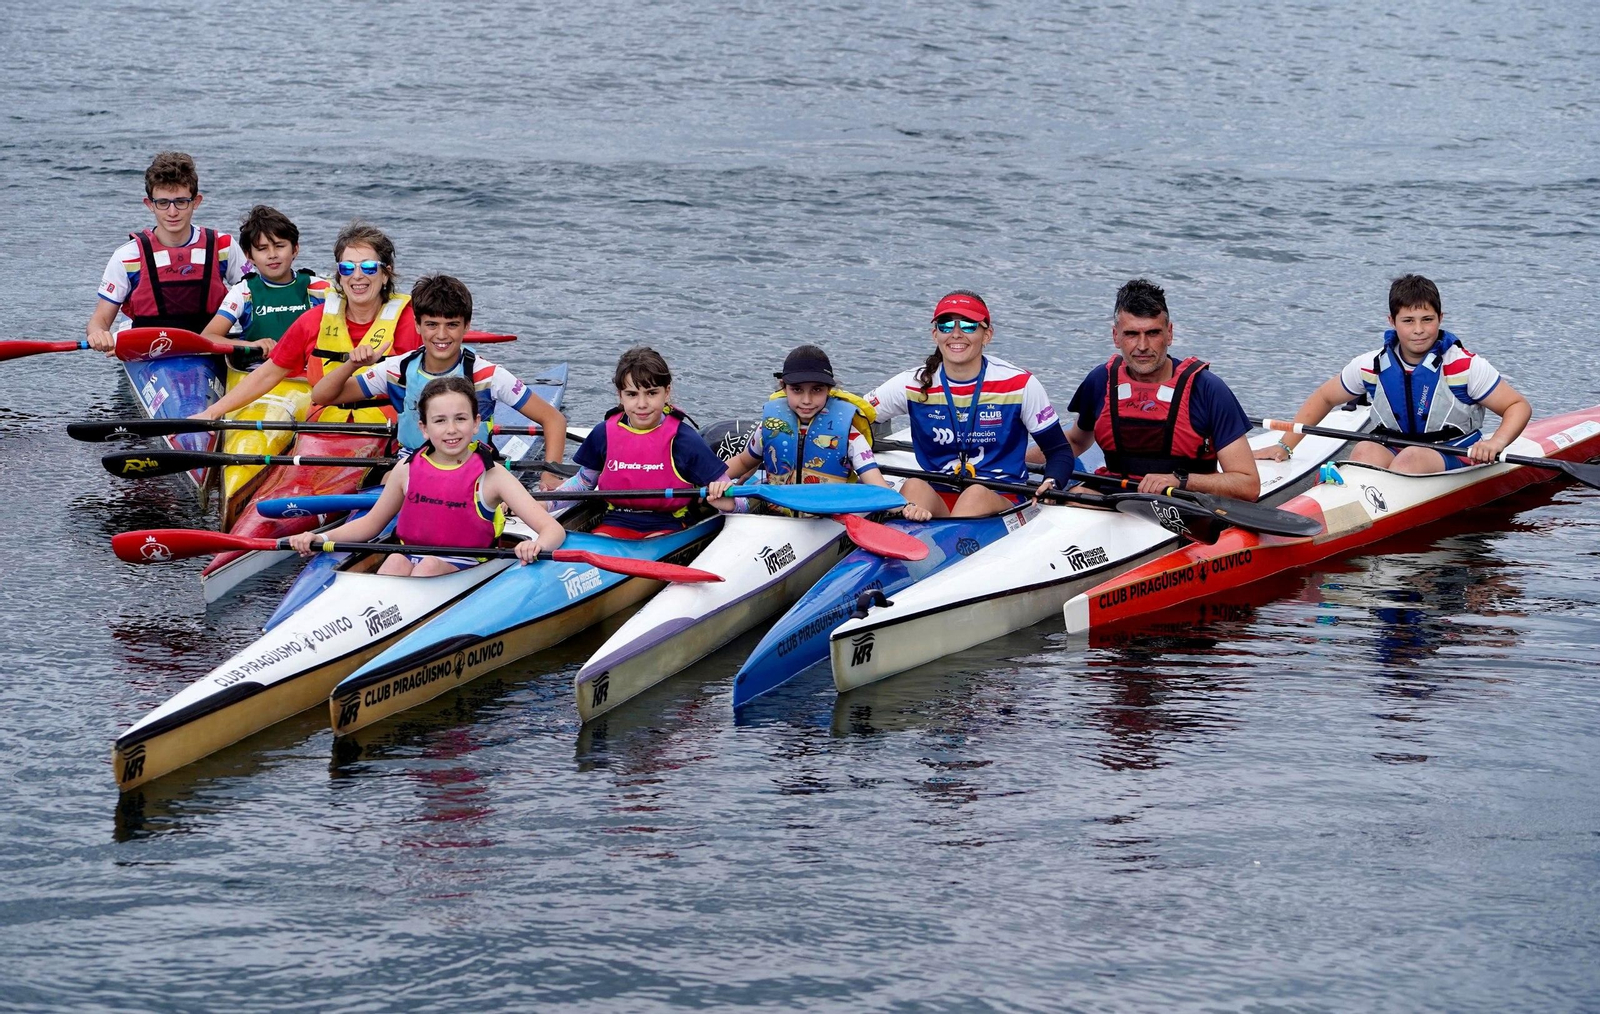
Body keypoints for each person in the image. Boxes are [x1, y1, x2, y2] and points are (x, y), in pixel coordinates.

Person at [286, 376, 565, 576]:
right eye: (440, 421)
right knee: (394, 559)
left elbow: (553, 530)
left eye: (461, 418)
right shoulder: (405, 469)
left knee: (429, 564)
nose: (451, 430)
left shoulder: (493, 476)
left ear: (476, 423)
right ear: (424, 428)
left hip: (467, 567)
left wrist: (536, 546)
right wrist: (321, 539)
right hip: (410, 559)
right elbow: (371, 525)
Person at [310, 274, 568, 489]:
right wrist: (352, 365)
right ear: (417, 325)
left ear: (466, 326)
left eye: (452, 325)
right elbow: (322, 396)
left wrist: (550, 475)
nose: (441, 335)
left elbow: (553, 419)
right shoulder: (397, 369)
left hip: (470, 467)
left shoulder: (488, 375)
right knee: (386, 479)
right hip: (409, 465)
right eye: (432, 324)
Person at [1255, 273, 1531, 473]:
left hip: (1455, 454)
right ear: (1392, 322)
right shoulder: (1370, 365)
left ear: (1441, 319)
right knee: (1362, 451)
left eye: (1427, 320)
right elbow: (1325, 398)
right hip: (1395, 449)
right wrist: (1285, 447)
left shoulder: (1464, 366)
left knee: (1410, 459)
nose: (1419, 330)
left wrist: (1496, 442)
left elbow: (1517, 406)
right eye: (1408, 321)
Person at [865, 290, 1073, 518]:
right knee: (913, 485)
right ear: (935, 335)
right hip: (940, 489)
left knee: (975, 494)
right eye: (946, 325)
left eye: (968, 325)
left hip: (1002, 495)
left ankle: (938, 544)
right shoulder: (912, 384)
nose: (956, 334)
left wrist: (1053, 483)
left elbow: (1059, 451)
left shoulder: (1019, 384)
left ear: (987, 335)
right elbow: (853, 416)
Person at [195, 221, 418, 422]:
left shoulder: (415, 320)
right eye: (347, 268)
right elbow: (268, 374)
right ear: (339, 275)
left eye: (368, 267)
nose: (357, 276)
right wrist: (211, 413)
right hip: (324, 426)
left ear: (386, 273)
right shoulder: (313, 320)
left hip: (388, 429)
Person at [1061, 278, 1260, 500]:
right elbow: (1076, 441)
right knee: (1073, 495)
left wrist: (1180, 480)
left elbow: (1248, 485)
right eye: (1131, 334)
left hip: (1185, 507)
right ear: (1116, 336)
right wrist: (1016, 461)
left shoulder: (1208, 389)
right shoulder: (1101, 380)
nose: (1143, 346)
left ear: (1169, 333)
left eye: (1153, 333)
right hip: (1116, 501)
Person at [552, 346, 732, 538]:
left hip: (670, 526)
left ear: (667, 392)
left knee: (652, 540)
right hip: (614, 522)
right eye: (632, 394)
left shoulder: (685, 440)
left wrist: (727, 501)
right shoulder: (603, 433)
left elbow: (738, 499)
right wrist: (544, 504)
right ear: (619, 395)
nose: (642, 404)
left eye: (651, 393)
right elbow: (583, 483)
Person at [85, 151, 247, 350]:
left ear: (196, 202)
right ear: (149, 205)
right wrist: (99, 335)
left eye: (181, 202)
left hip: (211, 349)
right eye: (163, 203)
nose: (172, 212)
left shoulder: (224, 245)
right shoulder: (127, 256)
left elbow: (256, 297)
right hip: (149, 353)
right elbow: (99, 320)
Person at [719, 343, 900, 506]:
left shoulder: (850, 436)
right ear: (783, 387)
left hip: (828, 519)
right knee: (719, 499)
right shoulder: (770, 428)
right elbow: (743, 462)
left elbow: (876, 485)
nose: (806, 400)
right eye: (797, 390)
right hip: (777, 513)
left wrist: (904, 507)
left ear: (829, 390)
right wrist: (712, 480)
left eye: (817, 390)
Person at [200, 205, 329, 353]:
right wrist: (252, 345)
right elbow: (208, 337)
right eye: (262, 249)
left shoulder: (320, 288)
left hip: (308, 373)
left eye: (279, 246)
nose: (272, 254)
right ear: (249, 256)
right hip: (256, 371)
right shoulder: (243, 292)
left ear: (295, 249)